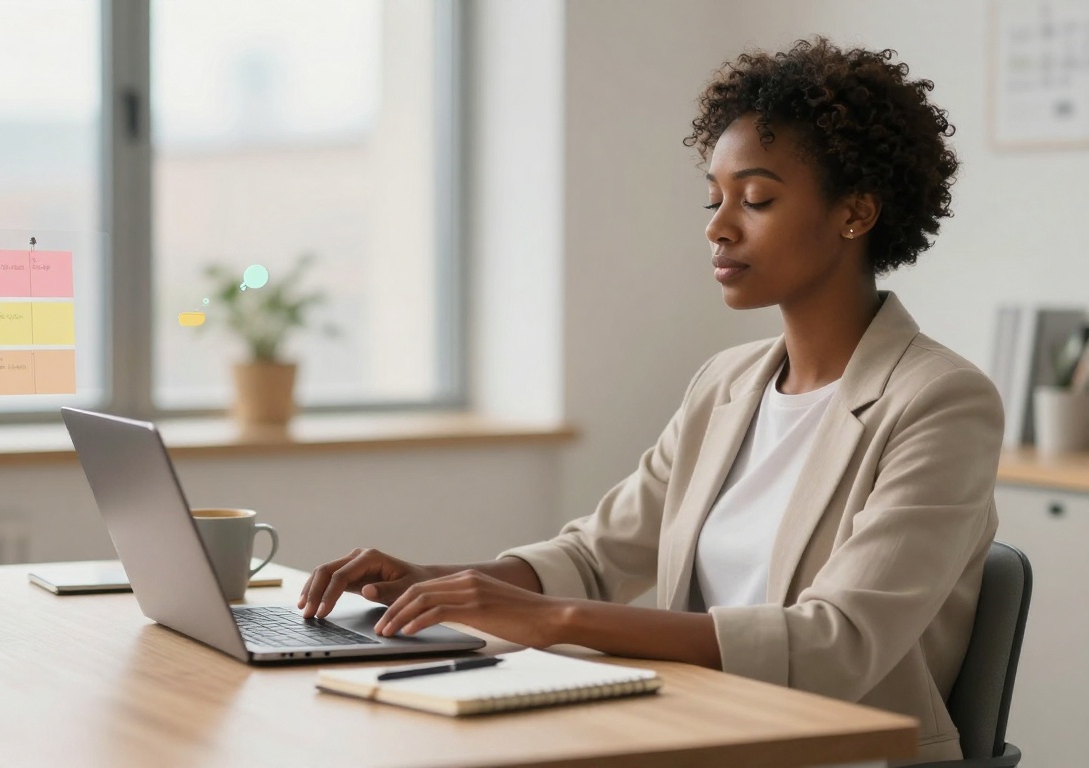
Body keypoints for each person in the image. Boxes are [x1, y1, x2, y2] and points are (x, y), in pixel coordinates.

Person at [299, 37, 1000, 764]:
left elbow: (837, 643)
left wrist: (554, 619)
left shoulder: (941, 402)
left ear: (855, 213)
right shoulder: (725, 384)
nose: (717, 226)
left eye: (756, 199)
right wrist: (436, 580)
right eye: (714, 197)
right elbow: (598, 555)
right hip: (694, 733)